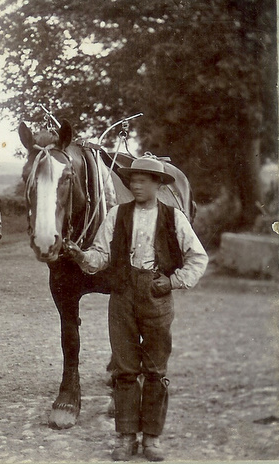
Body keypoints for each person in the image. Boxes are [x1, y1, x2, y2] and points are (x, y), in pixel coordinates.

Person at [64, 157, 208, 461]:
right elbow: (100, 255)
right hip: (122, 296)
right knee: (125, 369)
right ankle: (126, 437)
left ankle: (152, 438)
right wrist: (81, 257)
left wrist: (172, 282)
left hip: (157, 296)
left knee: (155, 370)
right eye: (133, 180)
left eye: (144, 180)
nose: (136, 185)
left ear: (158, 184)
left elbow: (198, 257)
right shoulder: (118, 214)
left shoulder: (173, 218)